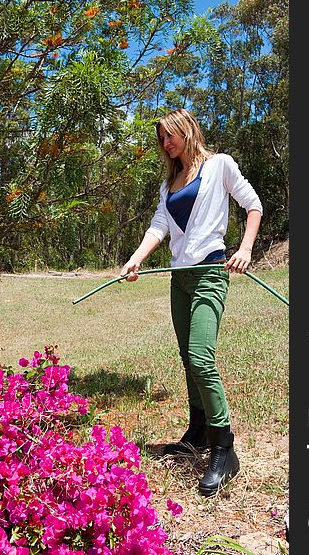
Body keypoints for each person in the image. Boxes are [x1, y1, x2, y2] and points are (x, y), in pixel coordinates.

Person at [120, 108, 263, 497]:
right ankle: (197, 431)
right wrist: (136, 259)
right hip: (178, 279)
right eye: (161, 138)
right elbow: (159, 227)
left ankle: (224, 448)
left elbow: (253, 205)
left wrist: (246, 249)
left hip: (210, 274)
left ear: (187, 131)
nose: (166, 143)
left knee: (201, 356)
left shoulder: (220, 165)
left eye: (171, 135)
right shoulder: (169, 185)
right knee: (187, 358)